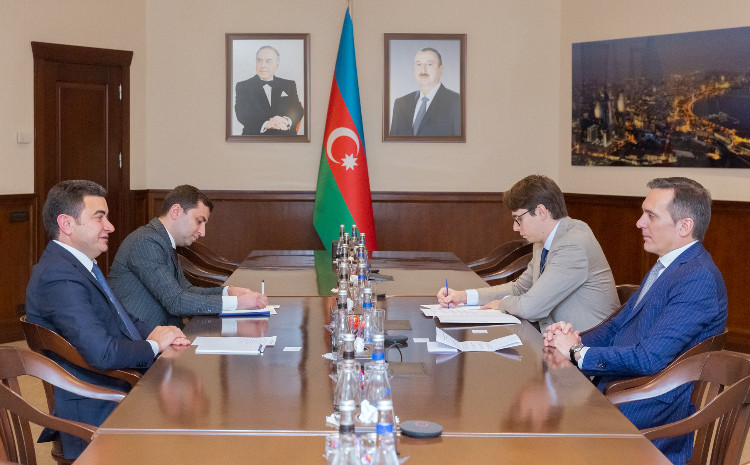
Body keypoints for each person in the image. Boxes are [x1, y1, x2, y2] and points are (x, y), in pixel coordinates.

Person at [544, 177, 728, 465]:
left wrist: (578, 353)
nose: (639, 223)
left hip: (648, 409)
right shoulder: (670, 266)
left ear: (684, 226)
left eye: (650, 215)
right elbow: (618, 326)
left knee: (543, 429)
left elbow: (649, 358)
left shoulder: (697, 278)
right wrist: (568, 341)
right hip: (624, 389)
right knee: (539, 413)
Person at [25, 180, 191, 459]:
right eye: (99, 217)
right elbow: (102, 353)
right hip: (98, 406)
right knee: (190, 423)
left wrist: (161, 333)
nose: (110, 226)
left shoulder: (77, 266)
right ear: (66, 224)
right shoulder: (58, 276)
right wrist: (153, 346)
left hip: (116, 388)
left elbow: (123, 319)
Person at [438, 175, 619, 332]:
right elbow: (519, 289)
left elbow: (531, 308)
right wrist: (463, 296)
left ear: (541, 211)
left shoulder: (573, 244)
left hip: (586, 346)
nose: (515, 227)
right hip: (554, 337)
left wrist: (502, 304)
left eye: (518, 219)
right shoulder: (543, 241)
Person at [108, 185, 268, 330]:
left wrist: (228, 292)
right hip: (141, 341)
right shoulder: (146, 241)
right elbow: (176, 301)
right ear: (176, 211)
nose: (202, 232)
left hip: (164, 335)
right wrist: (238, 303)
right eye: (199, 221)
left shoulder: (162, 240)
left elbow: (185, 290)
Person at [390, 47, 461, 136]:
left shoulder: (457, 102)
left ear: (441, 69)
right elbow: (393, 141)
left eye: (429, 64)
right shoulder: (400, 104)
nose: (423, 70)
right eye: (419, 64)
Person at [234, 45, 303, 135]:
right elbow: (242, 114)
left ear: (277, 64)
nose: (263, 65)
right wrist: (266, 124)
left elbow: (297, 109)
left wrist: (285, 120)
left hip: (286, 137)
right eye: (259, 60)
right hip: (255, 138)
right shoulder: (243, 86)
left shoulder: (289, 85)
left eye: (268, 61)